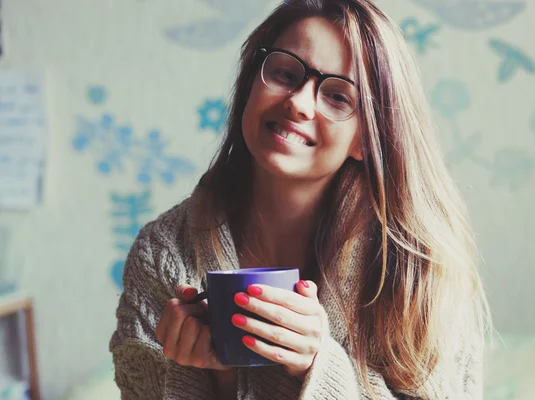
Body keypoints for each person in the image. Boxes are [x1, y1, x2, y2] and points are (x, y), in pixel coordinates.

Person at [109, 0, 493, 398]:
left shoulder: (416, 265)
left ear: (366, 139)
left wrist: (317, 368)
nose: (298, 102)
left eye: (338, 97)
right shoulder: (161, 256)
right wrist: (210, 376)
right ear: (250, 86)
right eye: (285, 73)